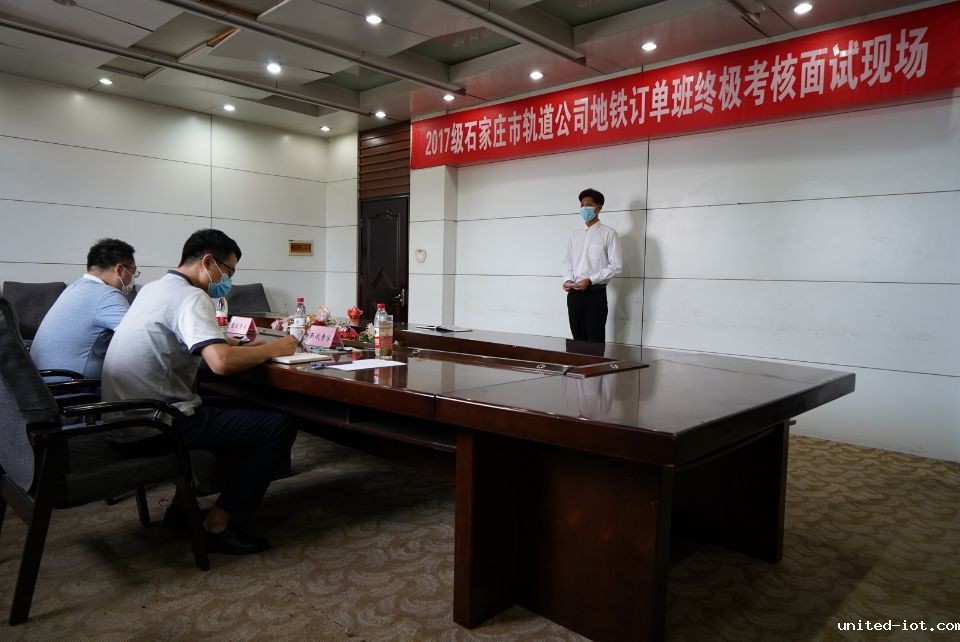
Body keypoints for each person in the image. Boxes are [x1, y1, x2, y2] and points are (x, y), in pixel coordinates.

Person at [102, 229, 298, 555]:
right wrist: (275, 348)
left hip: (124, 418)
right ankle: (218, 525)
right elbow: (220, 363)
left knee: (236, 406)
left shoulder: (154, 289)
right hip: (154, 425)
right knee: (279, 426)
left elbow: (185, 339)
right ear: (208, 261)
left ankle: (181, 510)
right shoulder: (192, 297)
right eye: (228, 271)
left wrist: (232, 345)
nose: (228, 281)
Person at [31, 238, 138, 379]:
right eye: (133, 272)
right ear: (119, 269)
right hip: (75, 387)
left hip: (43, 382)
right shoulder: (107, 295)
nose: (133, 279)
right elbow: (140, 339)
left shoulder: (74, 288)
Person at [562, 188, 622, 343]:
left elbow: (616, 266)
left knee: (595, 341)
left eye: (588, 204)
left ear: (599, 208)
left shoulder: (609, 234)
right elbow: (568, 261)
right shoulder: (575, 234)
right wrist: (568, 279)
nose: (584, 208)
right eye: (582, 205)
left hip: (595, 294)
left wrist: (590, 280)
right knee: (577, 341)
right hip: (574, 294)